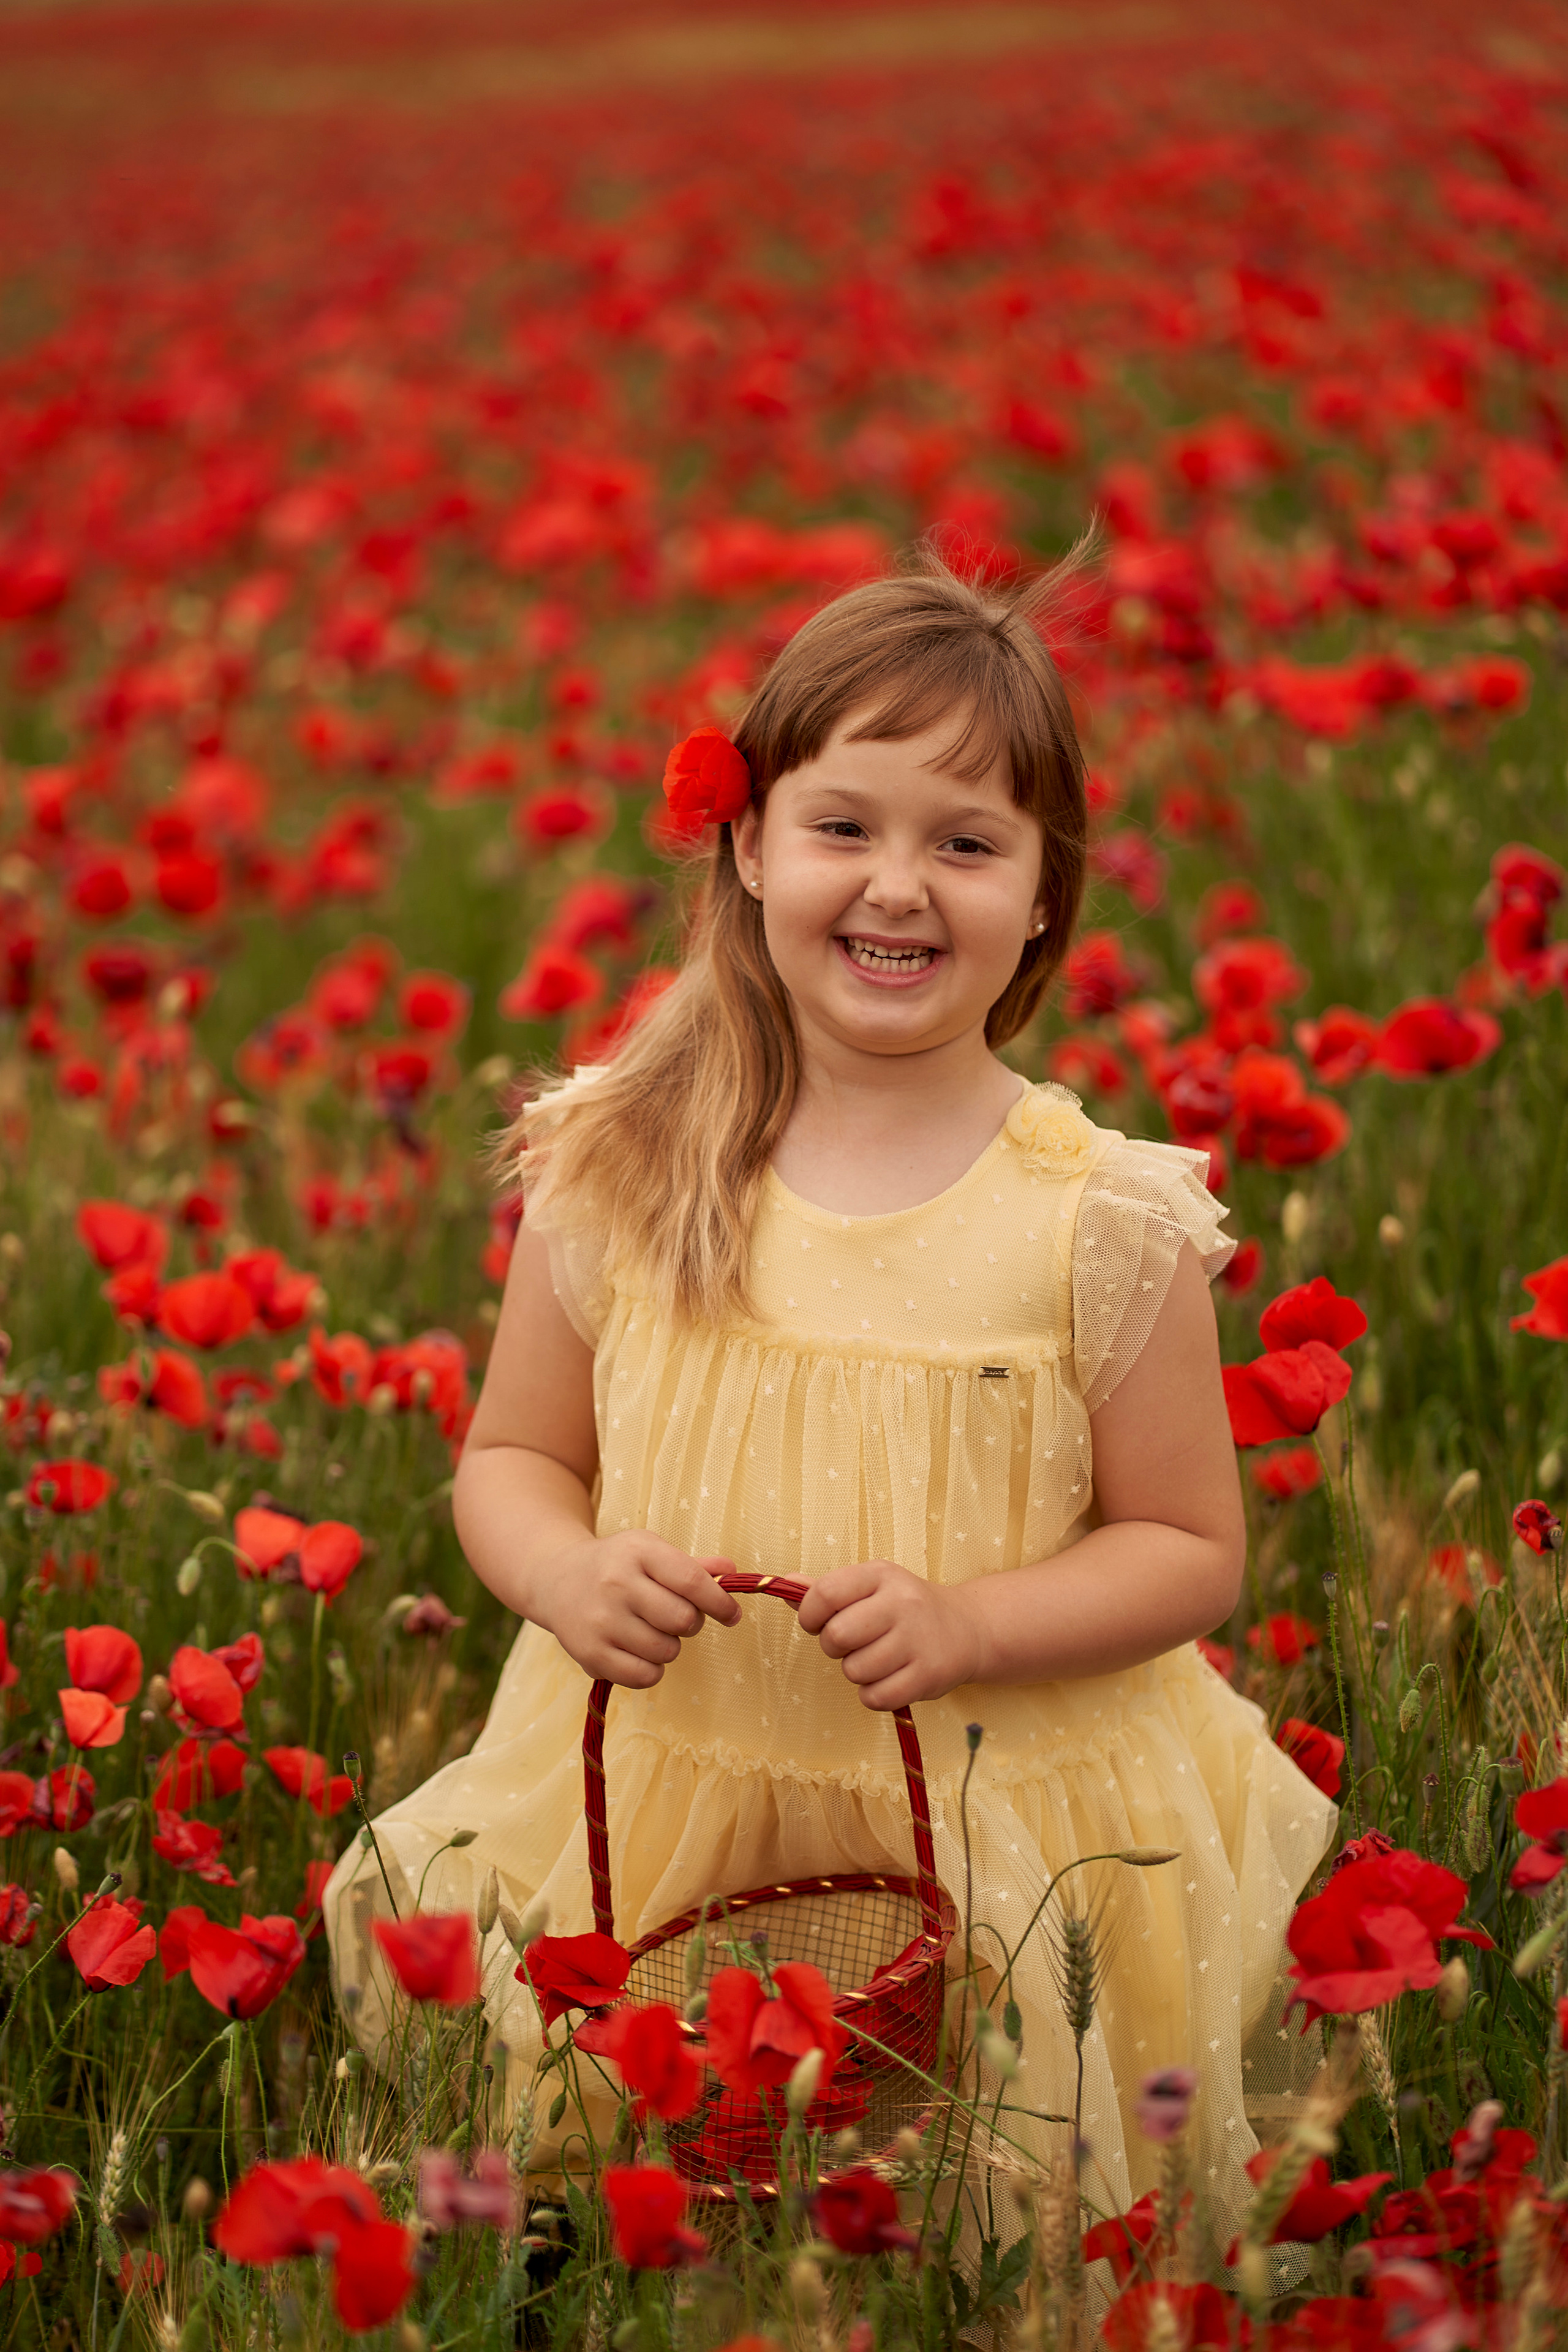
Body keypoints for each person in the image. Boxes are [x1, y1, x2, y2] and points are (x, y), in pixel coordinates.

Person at [324, 551, 1336, 2245]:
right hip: (673, 1797)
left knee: (972, 2203)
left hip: (1001, 1814)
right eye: (845, 827)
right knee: (686, 2184)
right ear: (747, 843)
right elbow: (514, 1455)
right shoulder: (626, 1165)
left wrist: (972, 1622)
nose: (900, 885)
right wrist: (564, 1574)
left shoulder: (1097, 1215)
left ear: (1041, 898)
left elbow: (1187, 1546)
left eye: (966, 842)